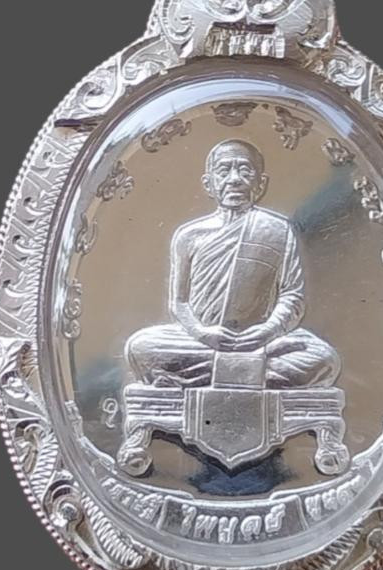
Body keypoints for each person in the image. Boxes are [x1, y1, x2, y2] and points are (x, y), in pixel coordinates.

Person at [125, 139, 340, 389]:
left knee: (324, 359)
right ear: (209, 183)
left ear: (261, 183)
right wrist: (203, 333)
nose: (235, 179)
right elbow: (179, 303)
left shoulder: (277, 230)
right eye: (224, 170)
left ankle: (214, 373)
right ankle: (248, 372)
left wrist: (267, 331)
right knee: (140, 347)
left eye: (245, 170)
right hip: (202, 341)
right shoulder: (189, 236)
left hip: (262, 340)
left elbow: (292, 295)